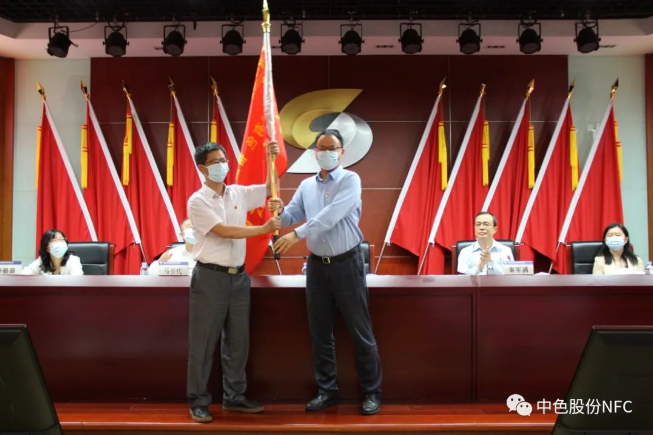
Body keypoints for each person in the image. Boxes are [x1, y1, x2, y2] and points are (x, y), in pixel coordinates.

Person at [270, 129, 383, 416]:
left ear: (342, 152)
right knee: (320, 333)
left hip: (348, 264)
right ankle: (327, 391)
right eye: (321, 148)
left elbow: (330, 216)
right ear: (315, 152)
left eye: (332, 148)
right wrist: (278, 211)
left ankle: (371, 392)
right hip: (317, 267)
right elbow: (291, 215)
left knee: (360, 332)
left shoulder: (350, 180)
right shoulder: (306, 185)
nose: (326, 152)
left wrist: (296, 234)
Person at [186, 141, 281, 423]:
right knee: (203, 343)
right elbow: (223, 231)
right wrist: (262, 229)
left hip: (238, 277)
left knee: (238, 342)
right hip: (209, 277)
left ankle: (235, 397)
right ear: (202, 168)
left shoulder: (238, 192)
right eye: (215, 162)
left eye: (224, 159)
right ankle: (198, 400)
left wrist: (271, 157)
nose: (222, 165)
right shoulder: (198, 201)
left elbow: (270, 188)